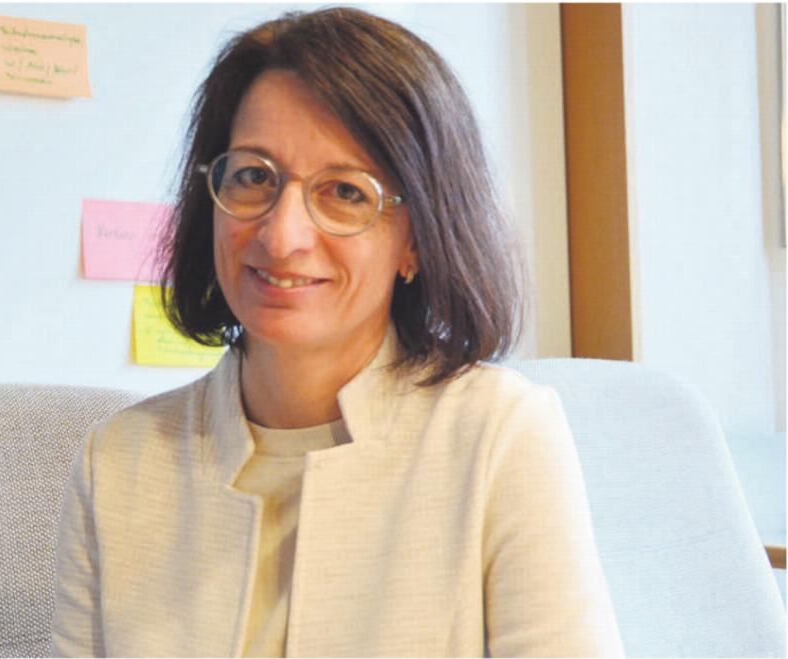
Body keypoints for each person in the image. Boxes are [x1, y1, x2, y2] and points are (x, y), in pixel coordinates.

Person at [52, 7, 623, 657]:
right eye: (253, 176)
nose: (281, 235)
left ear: (417, 239)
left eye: (346, 192)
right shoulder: (118, 463)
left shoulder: (497, 434)